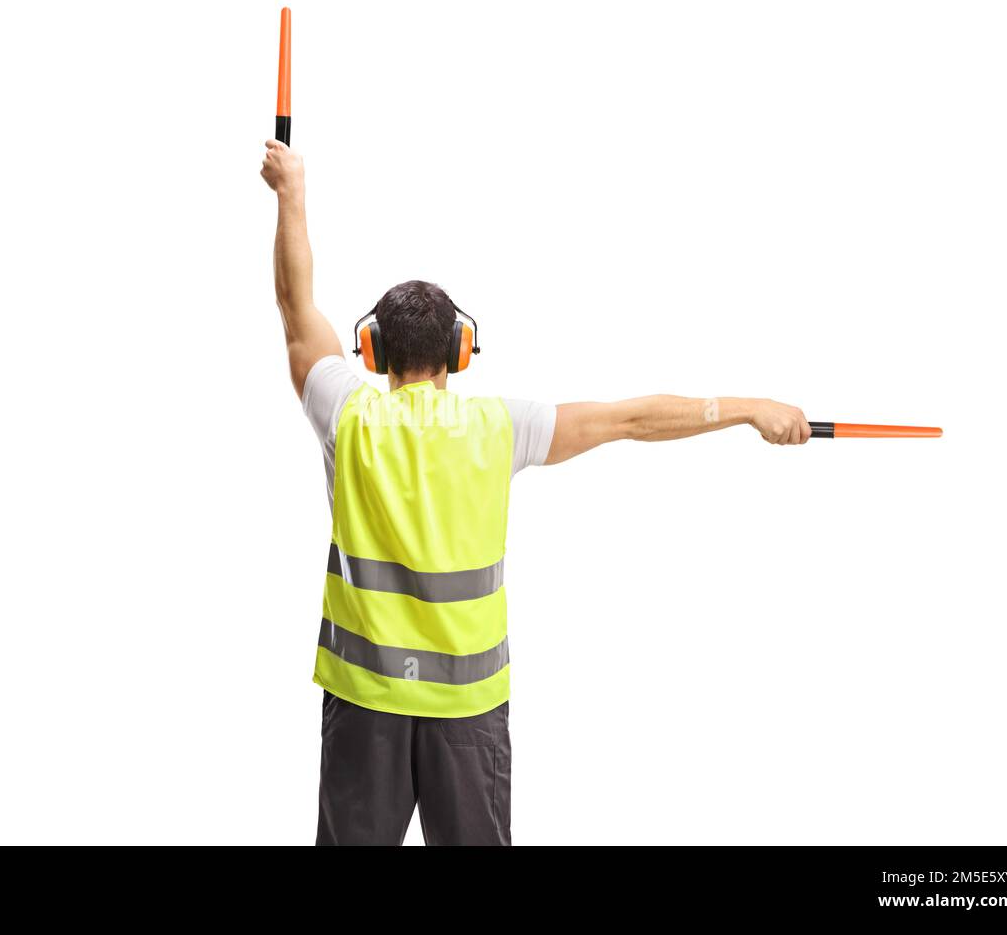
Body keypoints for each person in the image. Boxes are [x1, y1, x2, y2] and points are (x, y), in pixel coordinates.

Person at [260, 138, 811, 846]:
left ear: (372, 354)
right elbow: (633, 420)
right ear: (460, 351)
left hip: (365, 703)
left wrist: (292, 191)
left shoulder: (346, 411)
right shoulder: (499, 427)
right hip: (471, 709)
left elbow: (293, 302)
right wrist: (748, 407)